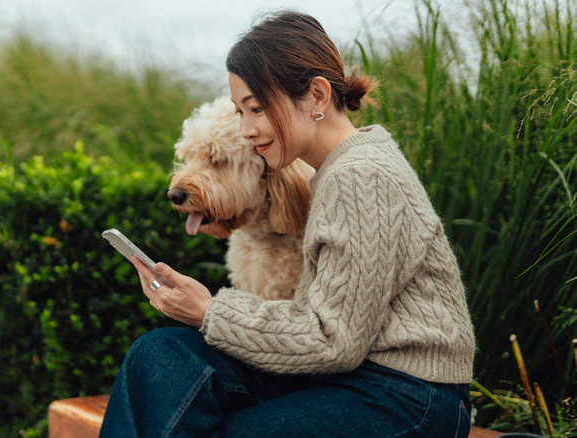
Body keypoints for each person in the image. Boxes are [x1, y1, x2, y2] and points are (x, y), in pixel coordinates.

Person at [99, 10, 475, 437]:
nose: (245, 130)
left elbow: (334, 341)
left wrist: (208, 310)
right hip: (346, 378)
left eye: (255, 108)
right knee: (161, 355)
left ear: (316, 96)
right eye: (240, 112)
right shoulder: (334, 171)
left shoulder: (362, 177)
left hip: (408, 397)